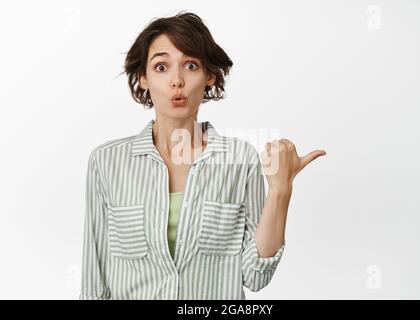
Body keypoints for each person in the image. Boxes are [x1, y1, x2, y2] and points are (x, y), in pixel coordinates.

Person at [79, 11, 326, 300]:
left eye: (191, 65)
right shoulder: (107, 162)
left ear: (209, 76)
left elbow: (255, 276)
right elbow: (94, 284)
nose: (177, 80)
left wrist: (281, 190)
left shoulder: (240, 158)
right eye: (161, 67)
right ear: (143, 78)